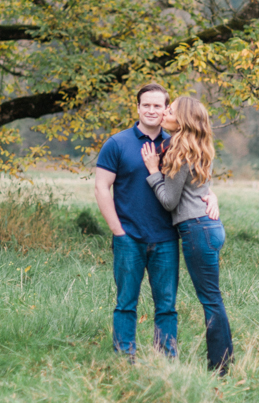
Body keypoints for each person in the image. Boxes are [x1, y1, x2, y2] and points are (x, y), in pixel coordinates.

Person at [141, 96, 233, 375]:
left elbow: (170, 201)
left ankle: (220, 368)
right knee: (213, 298)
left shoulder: (180, 153)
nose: (164, 114)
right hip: (208, 228)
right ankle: (221, 364)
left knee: (211, 300)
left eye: (169, 111)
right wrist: (211, 195)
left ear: (181, 120)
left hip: (197, 229)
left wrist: (154, 172)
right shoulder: (197, 146)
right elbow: (202, 188)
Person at [95, 83, 179, 359]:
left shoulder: (174, 144)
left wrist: (211, 197)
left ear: (166, 109)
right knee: (125, 303)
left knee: (166, 305)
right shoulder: (117, 143)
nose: (152, 110)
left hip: (166, 237)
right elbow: (101, 187)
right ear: (138, 107)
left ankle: (166, 359)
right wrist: (117, 230)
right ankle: (124, 358)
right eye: (147, 105)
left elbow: (196, 180)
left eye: (158, 106)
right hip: (128, 236)